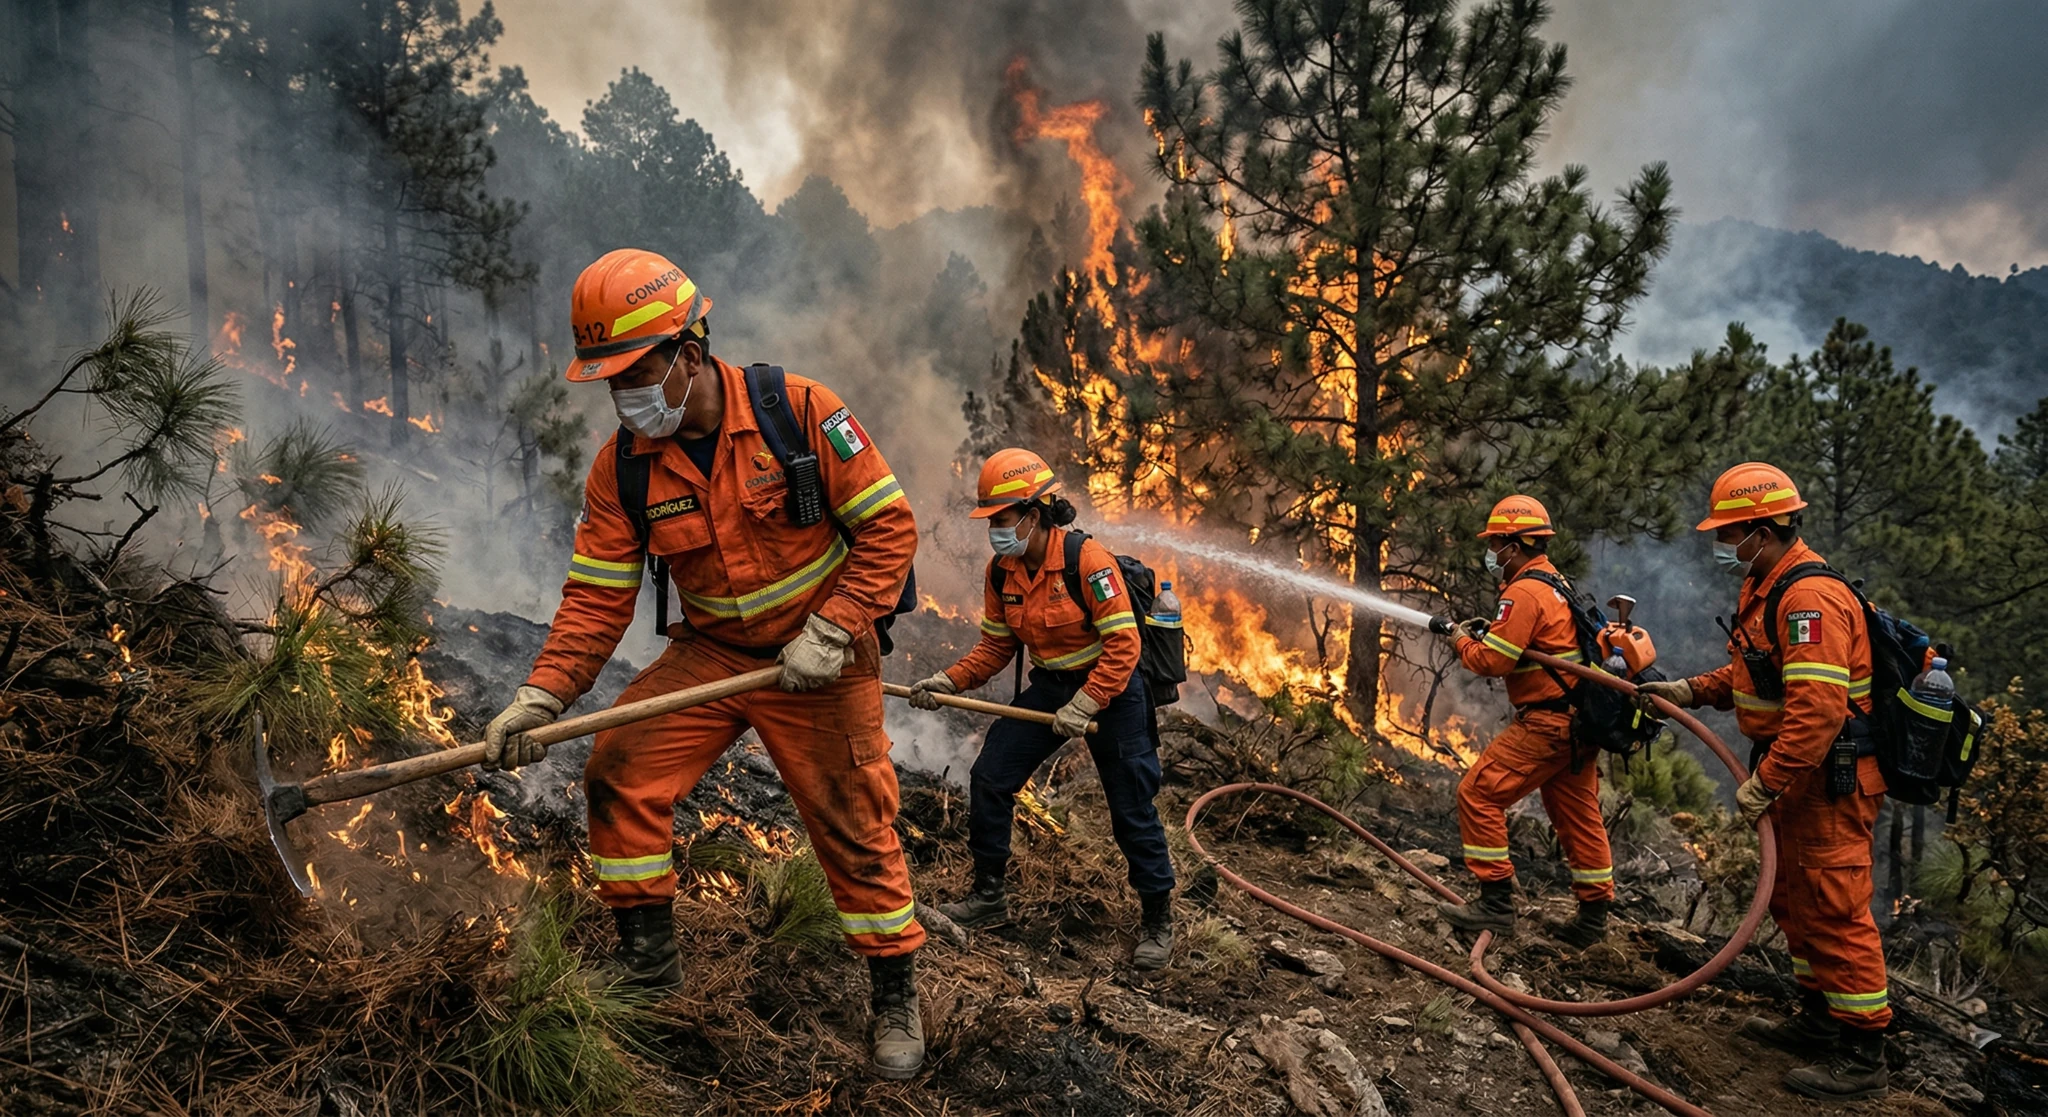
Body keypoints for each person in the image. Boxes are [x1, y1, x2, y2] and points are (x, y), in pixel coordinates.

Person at [480, 249, 927, 1079]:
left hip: (823, 662)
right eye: (608, 379)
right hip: (716, 654)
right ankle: (649, 966)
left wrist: (831, 628)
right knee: (617, 770)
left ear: (689, 351)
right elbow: (596, 598)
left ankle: (894, 995)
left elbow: (891, 529)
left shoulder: (801, 412)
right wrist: (540, 696)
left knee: (856, 824)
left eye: (635, 371)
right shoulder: (623, 469)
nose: (623, 395)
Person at [1635, 463, 1889, 1102]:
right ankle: (1819, 1021)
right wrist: (1689, 689)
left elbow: (1819, 710)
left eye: (1731, 533)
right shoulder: (1768, 585)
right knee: (1793, 900)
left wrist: (1766, 781)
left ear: (1763, 528)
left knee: (1835, 903)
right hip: (1797, 777)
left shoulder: (1809, 599)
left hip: (1828, 780)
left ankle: (1864, 1051)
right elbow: (1753, 676)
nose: (1723, 545)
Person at [906, 448, 1177, 970]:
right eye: (991, 521)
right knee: (990, 775)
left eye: (1002, 520)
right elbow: (995, 648)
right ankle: (989, 897)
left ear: (1033, 514)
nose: (994, 531)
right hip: (1052, 687)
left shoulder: (1088, 564)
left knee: (1131, 810)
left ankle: (1157, 921)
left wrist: (1088, 701)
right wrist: (947, 680)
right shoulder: (1001, 572)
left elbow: (1124, 647)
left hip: (1114, 693)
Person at [1435, 495, 1616, 948]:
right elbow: (1532, 645)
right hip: (1578, 726)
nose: (1492, 553)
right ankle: (1593, 923)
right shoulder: (1555, 582)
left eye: (1496, 544)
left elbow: (1492, 661)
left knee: (1478, 794)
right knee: (1577, 815)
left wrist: (1461, 640)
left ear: (1514, 546)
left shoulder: (1523, 591)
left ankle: (1494, 906)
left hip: (1549, 726)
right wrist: (1491, 631)